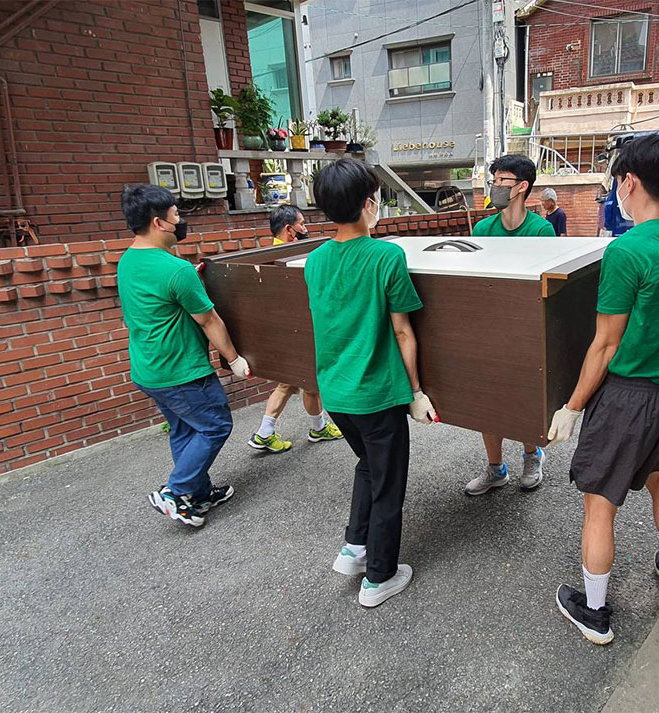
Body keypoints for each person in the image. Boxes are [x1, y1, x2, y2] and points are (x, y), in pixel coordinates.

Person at [546, 133, 659, 645]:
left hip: (629, 399)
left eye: (616, 179)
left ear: (629, 181)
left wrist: (572, 406)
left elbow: (605, 344)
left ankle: (594, 611)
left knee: (600, 503)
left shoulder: (627, 250)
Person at [305, 158, 437, 608]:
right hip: (377, 396)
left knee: (368, 465)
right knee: (388, 484)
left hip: (336, 393)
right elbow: (403, 331)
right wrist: (416, 392)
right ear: (368, 203)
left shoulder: (315, 261)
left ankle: (355, 546)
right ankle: (379, 578)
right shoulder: (386, 256)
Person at [117, 185, 251, 528]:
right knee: (215, 426)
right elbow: (209, 320)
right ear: (158, 223)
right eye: (176, 215)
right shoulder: (176, 270)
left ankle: (199, 494)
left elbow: (163, 293)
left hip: (149, 370)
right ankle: (175, 493)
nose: (180, 221)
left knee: (185, 429)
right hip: (182, 371)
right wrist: (234, 359)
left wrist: (191, 277)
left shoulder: (129, 260)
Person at [465, 154, 555, 497]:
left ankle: (532, 455)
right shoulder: (483, 230)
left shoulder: (541, 231)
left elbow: (544, 285)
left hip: (526, 329)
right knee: (488, 399)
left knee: (524, 398)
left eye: (501, 181)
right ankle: (495, 468)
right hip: (488, 328)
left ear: (521, 187)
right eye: (494, 181)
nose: (495, 187)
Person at [247, 205, 343, 454]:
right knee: (299, 382)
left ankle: (276, 431)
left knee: (295, 383)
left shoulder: (267, 254)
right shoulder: (290, 258)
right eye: (302, 224)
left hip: (283, 333)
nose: (305, 229)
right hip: (296, 332)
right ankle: (274, 432)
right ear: (290, 230)